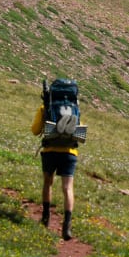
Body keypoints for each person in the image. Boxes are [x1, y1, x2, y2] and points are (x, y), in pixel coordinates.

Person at [32, 78, 85, 240]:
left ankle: (46, 218)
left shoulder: (46, 107)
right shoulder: (75, 108)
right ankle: (66, 226)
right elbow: (79, 131)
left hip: (50, 150)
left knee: (48, 183)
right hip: (69, 152)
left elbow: (35, 130)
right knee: (67, 188)